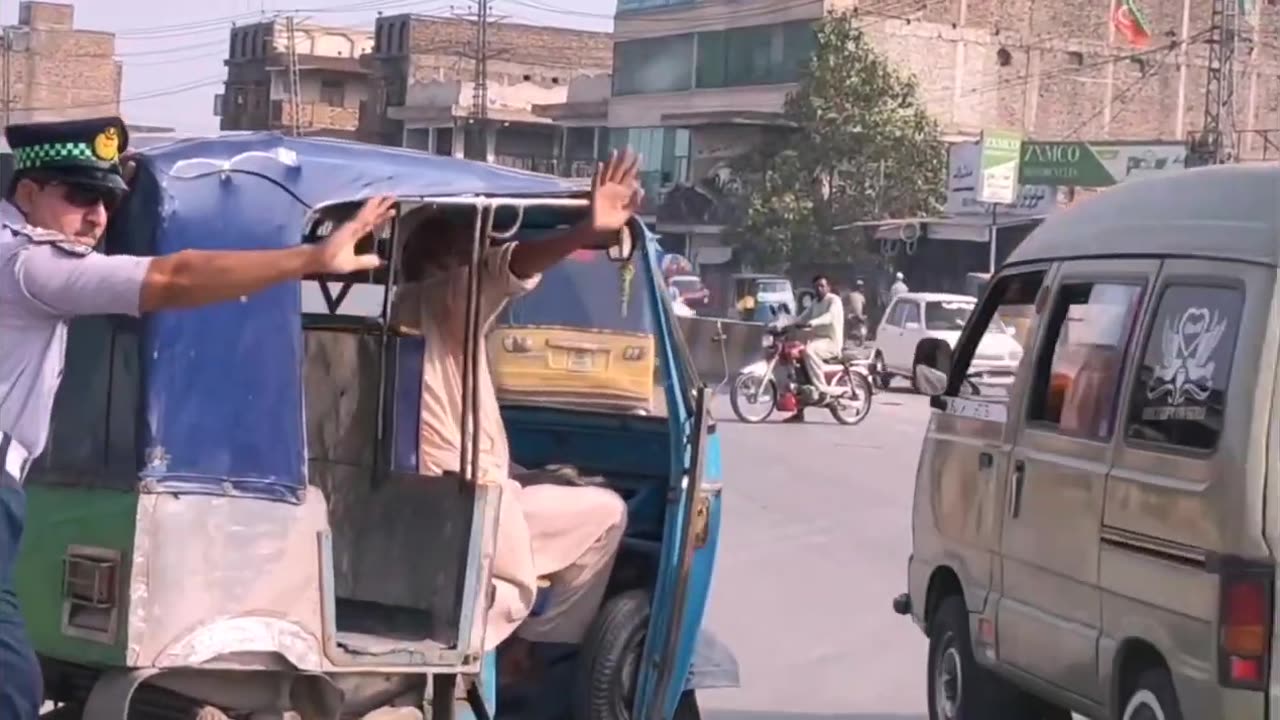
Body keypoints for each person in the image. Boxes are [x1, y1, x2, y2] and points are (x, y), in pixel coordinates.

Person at [0, 117, 395, 720]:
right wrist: (310, 257)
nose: (98, 219)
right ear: (27, 194)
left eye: (107, 202)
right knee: (9, 683)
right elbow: (174, 278)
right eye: (80, 197)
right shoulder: (30, 265)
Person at [389, 151, 640, 676]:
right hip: (466, 509)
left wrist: (530, 475)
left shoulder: (404, 317)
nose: (482, 261)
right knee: (608, 512)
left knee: (554, 490)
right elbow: (507, 270)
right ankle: (532, 647)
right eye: (472, 253)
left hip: (425, 500)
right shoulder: (443, 300)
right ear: (445, 265)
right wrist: (582, 232)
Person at [785, 274, 844, 424]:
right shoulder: (815, 303)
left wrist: (812, 323)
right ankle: (799, 411)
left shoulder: (834, 301)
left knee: (809, 350)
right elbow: (802, 317)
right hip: (818, 342)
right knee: (797, 366)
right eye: (816, 286)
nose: (819, 289)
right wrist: (786, 323)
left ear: (828, 287)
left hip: (831, 342)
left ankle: (821, 387)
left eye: (822, 286)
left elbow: (829, 317)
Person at [844, 279, 868, 343]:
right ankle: (862, 336)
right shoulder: (862, 297)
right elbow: (864, 307)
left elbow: (845, 304)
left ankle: (844, 340)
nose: (862, 288)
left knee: (846, 327)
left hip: (851, 316)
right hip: (859, 316)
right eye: (862, 287)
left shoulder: (850, 295)